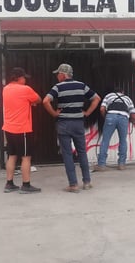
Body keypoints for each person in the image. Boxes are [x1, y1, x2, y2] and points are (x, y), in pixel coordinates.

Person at [43, 63, 101, 193]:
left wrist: (53, 113)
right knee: (82, 152)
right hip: (78, 123)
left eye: (58, 74)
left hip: (64, 124)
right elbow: (96, 98)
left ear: (63, 75)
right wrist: (87, 112)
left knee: (68, 154)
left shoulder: (58, 87)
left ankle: (73, 185)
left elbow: (45, 101)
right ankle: (87, 182)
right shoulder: (82, 85)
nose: (57, 77)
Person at [2, 67, 42, 194]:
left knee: (12, 156)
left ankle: (9, 183)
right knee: (26, 157)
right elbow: (38, 99)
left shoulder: (6, 89)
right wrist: (30, 103)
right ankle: (26, 185)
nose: (25, 80)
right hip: (22, 129)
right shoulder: (25, 89)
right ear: (19, 78)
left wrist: (27, 103)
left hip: (8, 128)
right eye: (24, 77)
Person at [94, 87, 135, 171]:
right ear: (122, 92)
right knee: (123, 141)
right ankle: (121, 164)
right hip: (123, 118)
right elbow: (133, 114)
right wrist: (133, 121)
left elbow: (102, 109)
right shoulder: (127, 98)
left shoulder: (109, 96)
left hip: (111, 116)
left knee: (105, 140)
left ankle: (101, 165)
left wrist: (106, 117)